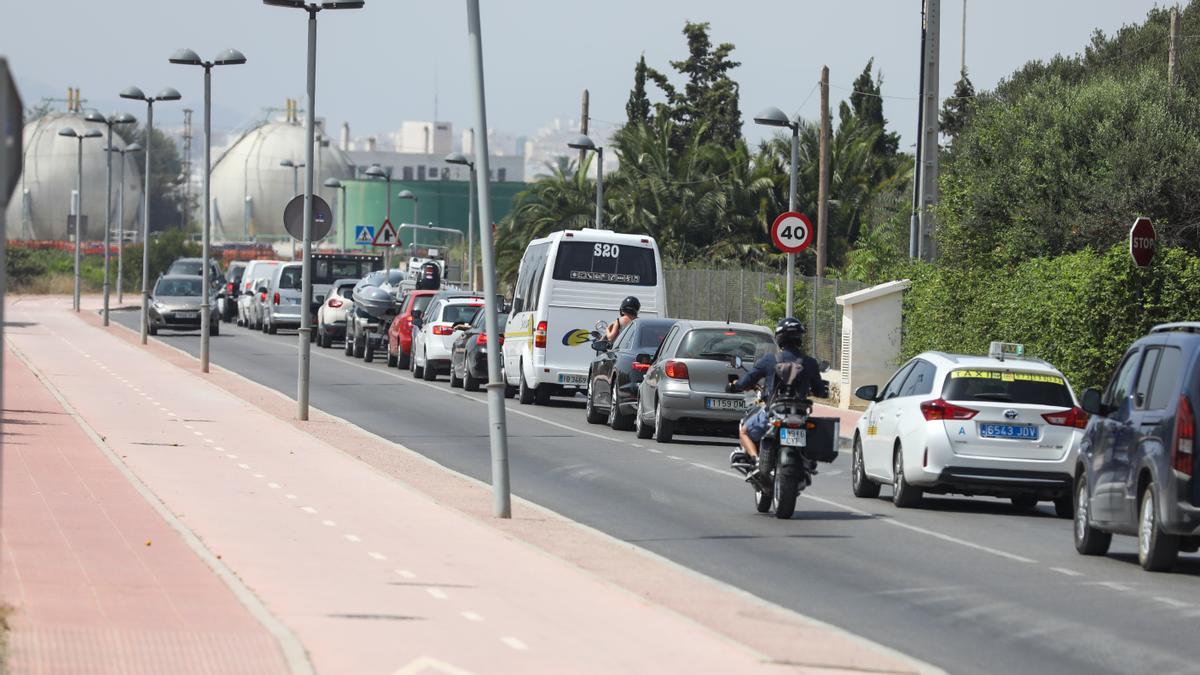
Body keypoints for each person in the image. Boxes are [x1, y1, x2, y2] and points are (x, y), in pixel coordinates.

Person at [727, 317, 827, 473]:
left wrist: (735, 385)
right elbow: (821, 391)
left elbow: (746, 381)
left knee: (744, 431)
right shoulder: (810, 363)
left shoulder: (769, 360)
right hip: (800, 416)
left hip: (773, 413)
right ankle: (804, 462)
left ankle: (756, 458)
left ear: (779, 338)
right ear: (799, 337)